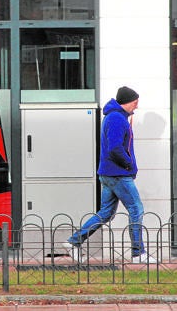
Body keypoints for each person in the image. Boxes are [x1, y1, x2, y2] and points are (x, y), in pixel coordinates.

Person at [63, 86, 157, 264]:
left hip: (110, 173)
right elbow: (115, 147)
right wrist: (128, 164)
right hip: (118, 175)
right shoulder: (116, 119)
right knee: (136, 209)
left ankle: (74, 242)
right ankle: (138, 253)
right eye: (135, 103)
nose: (136, 107)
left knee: (106, 212)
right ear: (127, 102)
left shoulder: (115, 117)